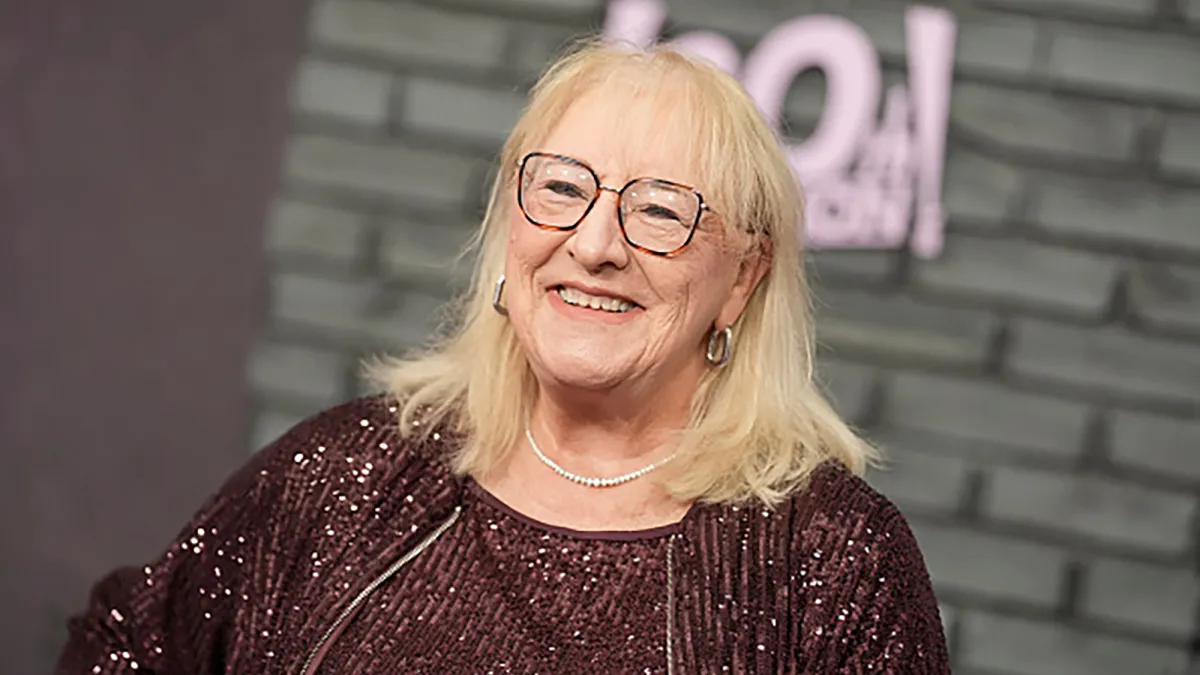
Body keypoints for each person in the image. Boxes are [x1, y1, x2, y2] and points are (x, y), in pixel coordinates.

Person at [58, 39, 949, 674]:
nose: (595, 243)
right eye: (561, 188)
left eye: (662, 209)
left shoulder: (831, 557)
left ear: (742, 278)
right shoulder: (350, 475)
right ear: (509, 226)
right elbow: (128, 646)